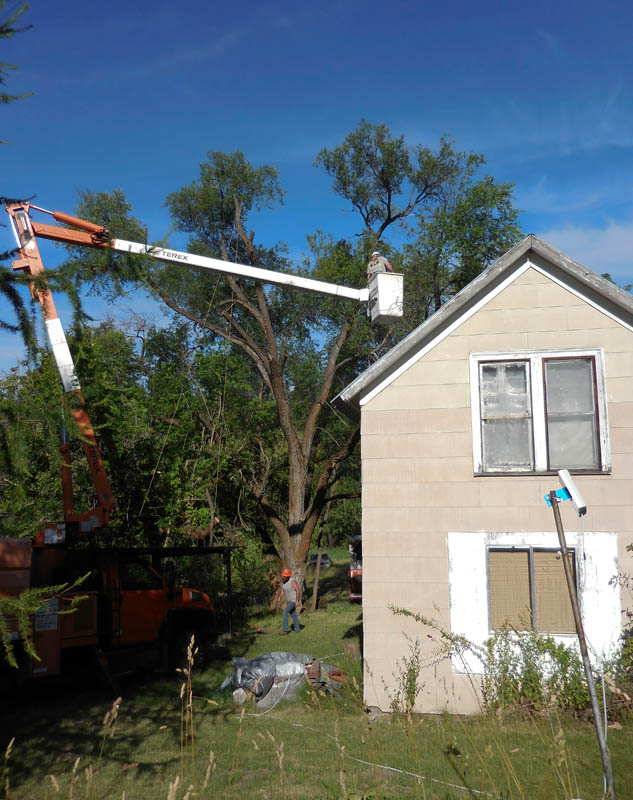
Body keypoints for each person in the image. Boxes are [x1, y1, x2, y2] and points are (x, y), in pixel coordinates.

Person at [280, 567, 301, 634]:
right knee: (294, 615)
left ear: (287, 576)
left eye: (284, 576)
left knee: (285, 612)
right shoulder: (284, 583)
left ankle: (284, 630)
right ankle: (297, 629)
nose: (282, 577)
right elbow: (283, 591)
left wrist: (297, 601)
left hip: (293, 601)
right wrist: (280, 597)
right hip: (289, 601)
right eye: (282, 575)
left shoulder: (292, 581)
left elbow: (298, 590)